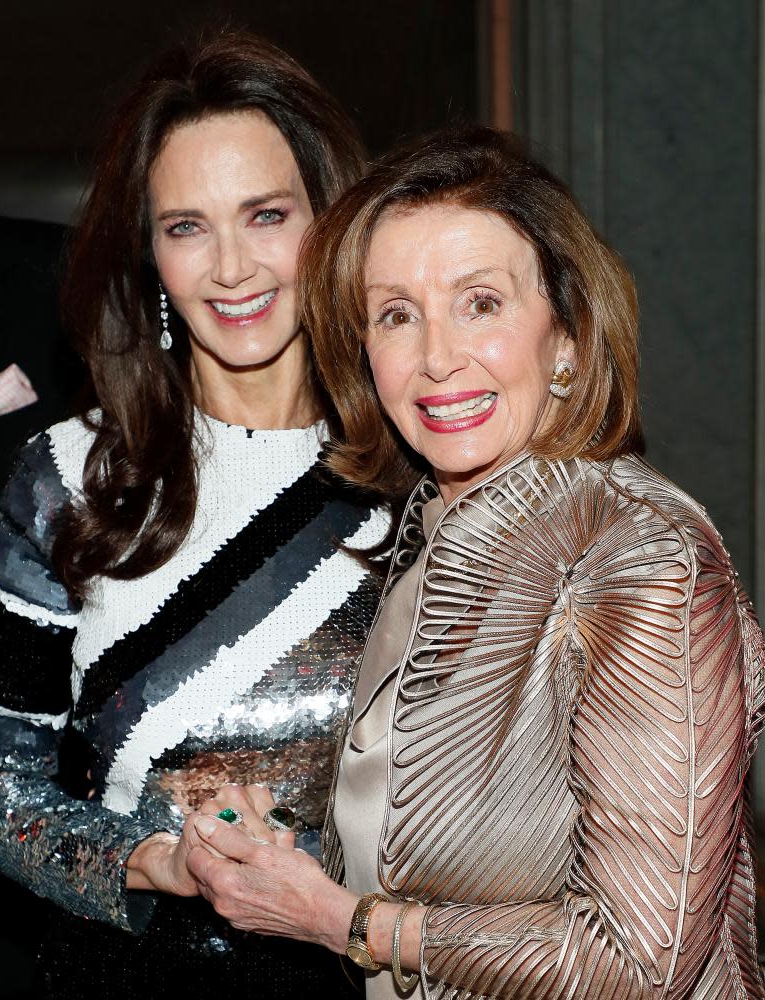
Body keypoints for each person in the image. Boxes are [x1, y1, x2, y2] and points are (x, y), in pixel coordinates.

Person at [183, 126, 765, 999]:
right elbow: (428, 850)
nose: (436, 357)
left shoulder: (637, 561)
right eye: (396, 314)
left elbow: (641, 960)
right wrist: (276, 856)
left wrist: (340, 922)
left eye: (480, 303)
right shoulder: (423, 540)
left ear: (565, 337)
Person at [0, 29, 388, 1000]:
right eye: (187, 226)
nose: (231, 267)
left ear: (334, 221)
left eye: (267, 214)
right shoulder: (68, 474)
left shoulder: (421, 468)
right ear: (151, 253)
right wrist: (155, 858)